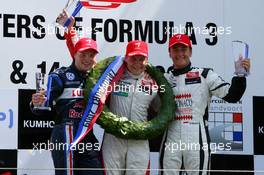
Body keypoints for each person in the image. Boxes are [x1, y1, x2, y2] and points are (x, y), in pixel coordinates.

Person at [160, 34, 250, 175]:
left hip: (197, 138)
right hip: (171, 137)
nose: (179, 53)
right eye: (175, 49)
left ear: (190, 51)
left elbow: (232, 95)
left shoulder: (205, 74)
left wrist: (240, 74)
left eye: (183, 49)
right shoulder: (163, 79)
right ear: (169, 53)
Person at [30, 20, 104, 174]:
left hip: (86, 135)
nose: (87, 59)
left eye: (91, 55)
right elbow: (42, 108)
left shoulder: (97, 79)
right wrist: (36, 102)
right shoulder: (60, 75)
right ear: (74, 53)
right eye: (83, 54)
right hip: (65, 132)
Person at [101, 40, 159, 175]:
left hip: (139, 141)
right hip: (113, 139)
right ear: (126, 58)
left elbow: (159, 110)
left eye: (141, 59)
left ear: (147, 60)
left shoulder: (154, 83)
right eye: (133, 58)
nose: (137, 63)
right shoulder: (113, 77)